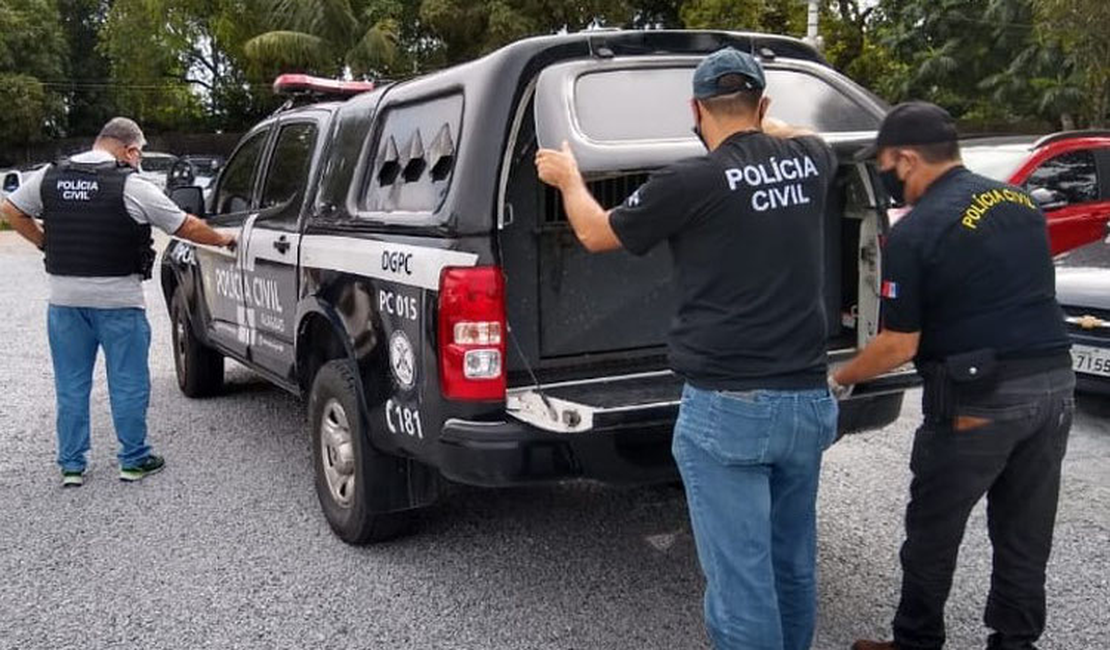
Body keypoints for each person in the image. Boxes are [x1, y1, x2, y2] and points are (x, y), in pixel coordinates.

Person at [535, 48, 840, 650]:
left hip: (731, 410)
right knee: (791, 566)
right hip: (808, 400)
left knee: (741, 583)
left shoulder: (688, 181)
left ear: (694, 110)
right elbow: (802, 133)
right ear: (765, 104)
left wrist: (570, 181)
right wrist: (762, 126)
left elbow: (596, 234)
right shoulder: (812, 161)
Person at [831, 102, 1075, 650]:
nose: (888, 178)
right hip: (1054, 389)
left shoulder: (918, 233)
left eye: (888, 165)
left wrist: (841, 375)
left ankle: (916, 643)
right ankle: (1014, 643)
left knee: (932, 533)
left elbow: (898, 344)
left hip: (976, 400)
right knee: (1023, 532)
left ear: (908, 158)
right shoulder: (1021, 203)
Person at [0, 117, 236, 487]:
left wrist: (44, 242)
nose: (137, 162)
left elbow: (11, 210)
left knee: (71, 384)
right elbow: (184, 225)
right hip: (119, 304)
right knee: (127, 382)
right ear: (130, 150)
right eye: (138, 156)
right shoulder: (130, 185)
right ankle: (134, 459)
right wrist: (222, 239)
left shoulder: (50, 174)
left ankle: (72, 466)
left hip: (64, 303)